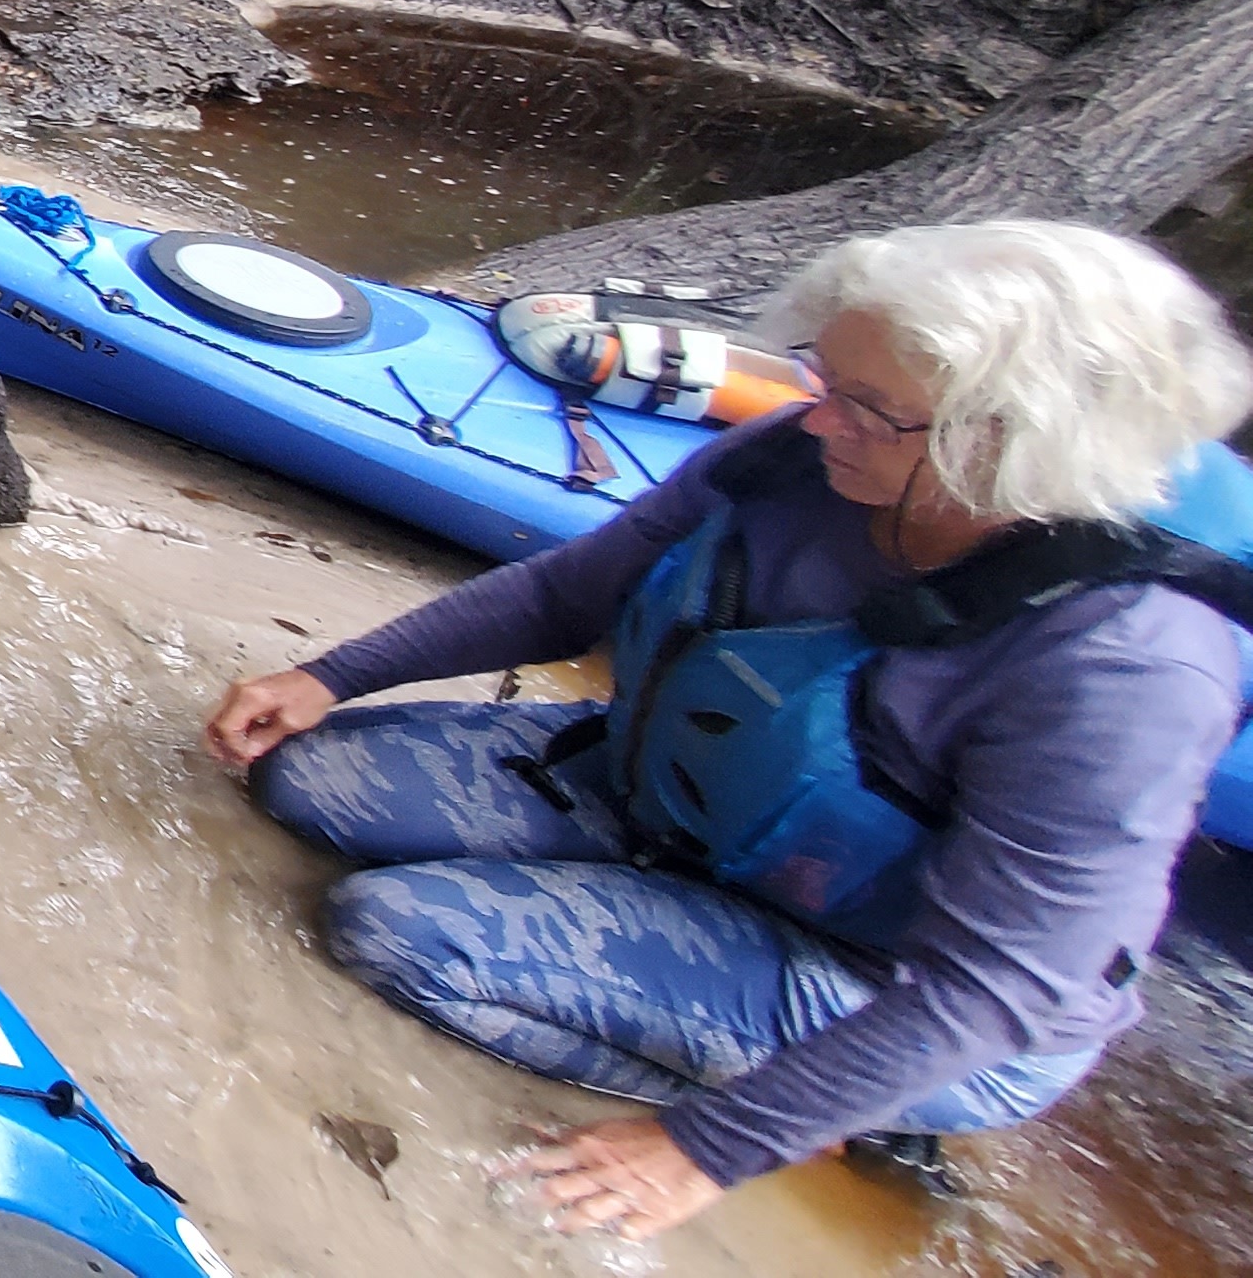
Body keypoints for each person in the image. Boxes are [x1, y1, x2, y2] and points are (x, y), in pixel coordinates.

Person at [200, 221, 1253, 1240]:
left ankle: (853, 1106)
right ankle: (674, 944)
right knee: (309, 781)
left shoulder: (1126, 670)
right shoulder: (801, 456)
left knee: (397, 933)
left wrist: (705, 1150)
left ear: (1008, 440)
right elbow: (575, 591)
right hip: (679, 805)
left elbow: (1000, 986)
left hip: (877, 974)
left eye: (868, 408)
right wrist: (333, 675)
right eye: (825, 379)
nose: (816, 415)